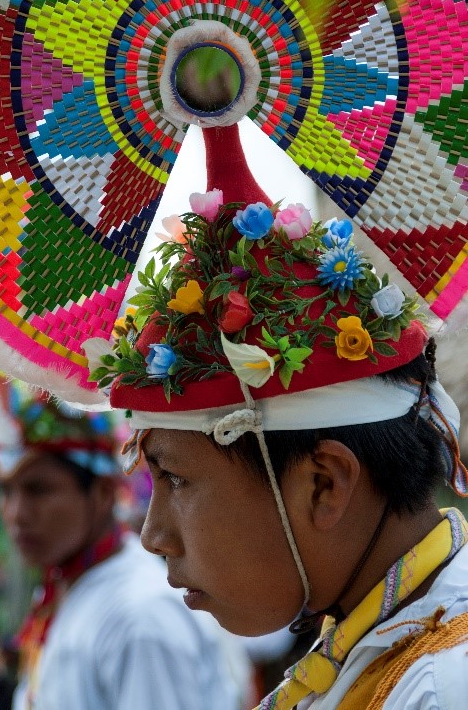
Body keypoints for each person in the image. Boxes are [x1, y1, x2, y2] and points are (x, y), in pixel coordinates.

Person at [84, 122, 468, 710]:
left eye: (176, 478)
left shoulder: (442, 686)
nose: (153, 536)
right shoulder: (374, 650)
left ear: (324, 483)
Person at [0, 391, 249, 710]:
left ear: (102, 494)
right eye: (6, 490)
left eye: (38, 490)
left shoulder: (140, 617)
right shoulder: (68, 587)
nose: (16, 513)